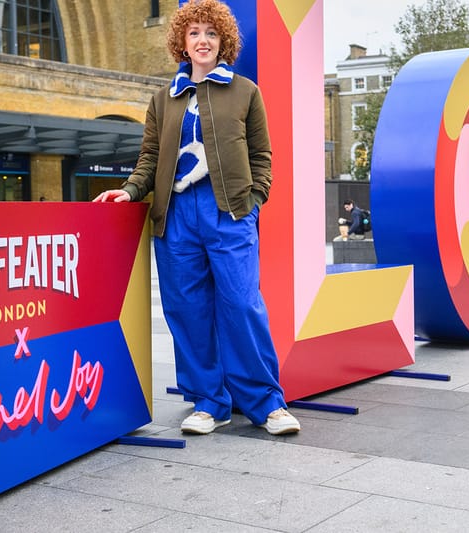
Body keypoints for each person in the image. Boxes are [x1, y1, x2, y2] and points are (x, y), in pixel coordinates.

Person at [93, 0, 300, 436]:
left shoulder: (245, 92)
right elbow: (150, 157)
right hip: (176, 215)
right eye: (194, 33)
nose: (202, 40)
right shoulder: (163, 100)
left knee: (242, 303)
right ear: (182, 43)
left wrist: (253, 200)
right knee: (187, 309)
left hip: (229, 210)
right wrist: (130, 190)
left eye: (211, 33)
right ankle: (209, 402)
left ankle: (267, 403)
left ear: (223, 41)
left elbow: (262, 155)